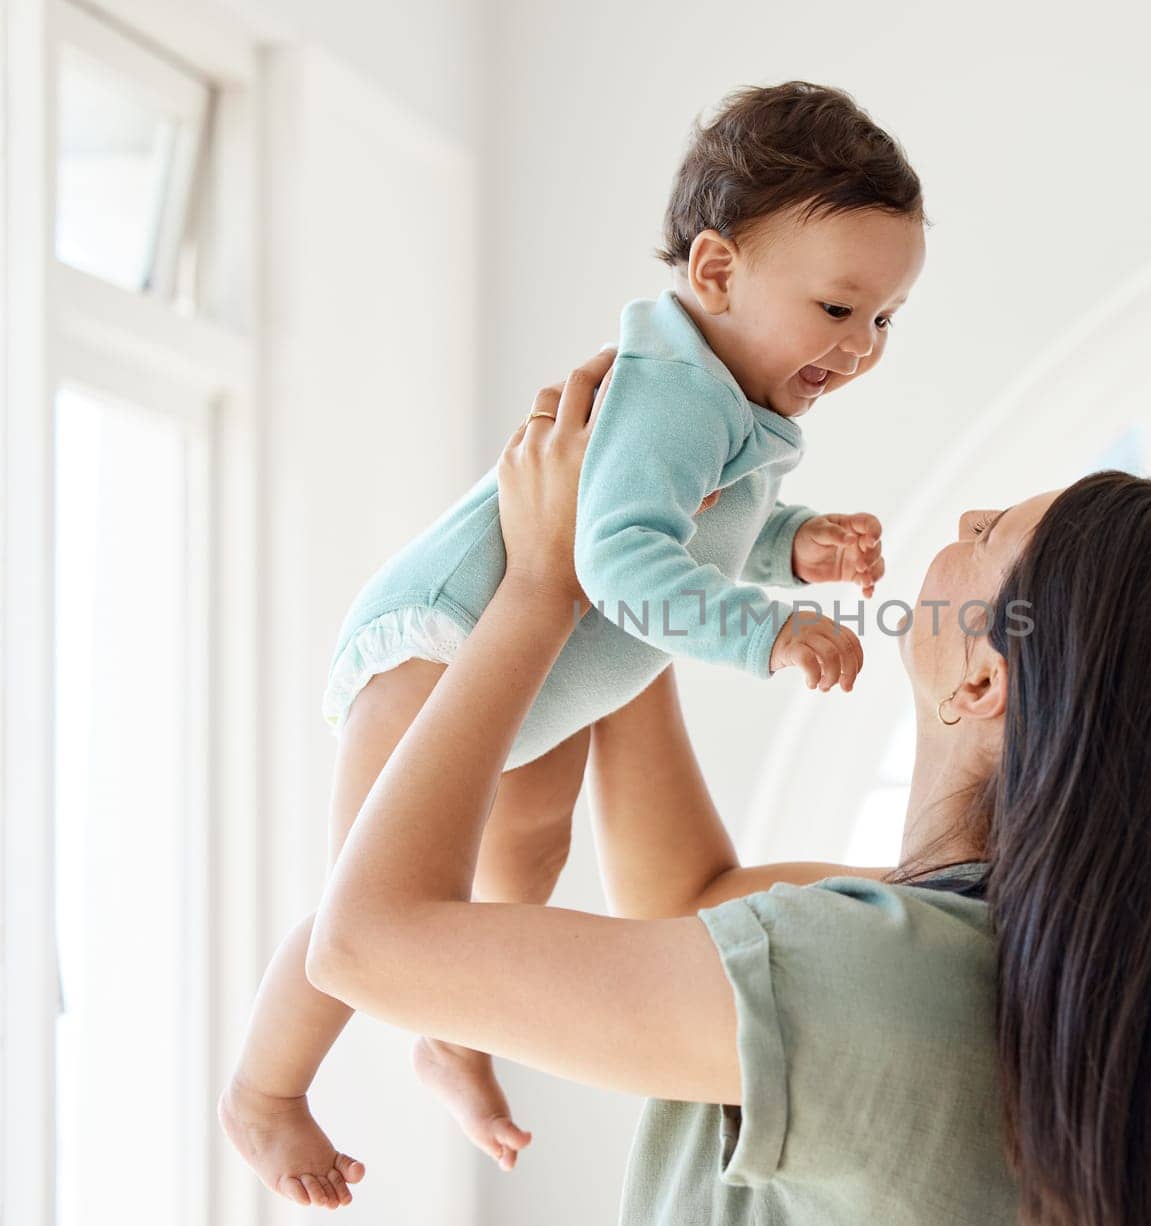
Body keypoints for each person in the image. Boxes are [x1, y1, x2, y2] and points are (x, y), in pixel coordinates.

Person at [302, 351, 1151, 1224]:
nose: (967, 514)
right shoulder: (983, 953)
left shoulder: (867, 974)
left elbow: (365, 943)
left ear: (982, 676)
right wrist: (629, 557)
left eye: (985, 537)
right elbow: (688, 894)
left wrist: (535, 588)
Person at [220, 81, 924, 1202]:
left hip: (551, 672)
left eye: (885, 318)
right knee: (380, 898)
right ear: (714, 271)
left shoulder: (738, 401)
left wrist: (794, 546)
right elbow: (622, 561)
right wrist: (769, 628)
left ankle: (454, 1032)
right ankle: (264, 1091)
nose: (862, 345)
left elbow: (708, 524)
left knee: (522, 869)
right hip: (439, 646)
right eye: (839, 309)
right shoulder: (673, 396)